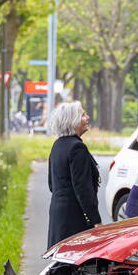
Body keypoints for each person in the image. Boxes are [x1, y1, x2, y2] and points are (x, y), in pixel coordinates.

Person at [46, 101, 102, 248]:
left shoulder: (57, 145)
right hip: (74, 218)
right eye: (83, 115)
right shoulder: (77, 148)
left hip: (59, 214)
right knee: (76, 265)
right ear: (73, 120)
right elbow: (83, 189)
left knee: (60, 263)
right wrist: (96, 221)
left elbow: (52, 184)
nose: (87, 117)